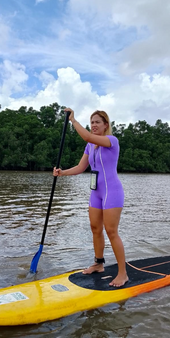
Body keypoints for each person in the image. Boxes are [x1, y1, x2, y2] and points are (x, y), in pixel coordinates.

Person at [53, 108, 129, 287]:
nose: (93, 125)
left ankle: (123, 273)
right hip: (96, 192)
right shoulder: (89, 146)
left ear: (105, 125)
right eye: (92, 122)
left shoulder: (112, 141)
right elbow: (81, 167)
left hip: (112, 191)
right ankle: (98, 264)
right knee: (95, 228)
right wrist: (61, 173)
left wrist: (73, 120)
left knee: (111, 232)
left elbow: (87, 136)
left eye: (97, 122)